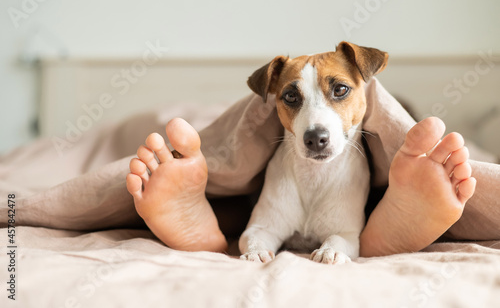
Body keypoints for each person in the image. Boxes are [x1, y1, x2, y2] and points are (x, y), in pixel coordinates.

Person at [125, 87, 478, 258]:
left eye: (340, 92)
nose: (316, 127)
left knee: (405, 156)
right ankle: (203, 216)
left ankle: (398, 197)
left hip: (365, 166)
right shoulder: (274, 110)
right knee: (240, 196)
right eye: (292, 98)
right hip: (266, 180)